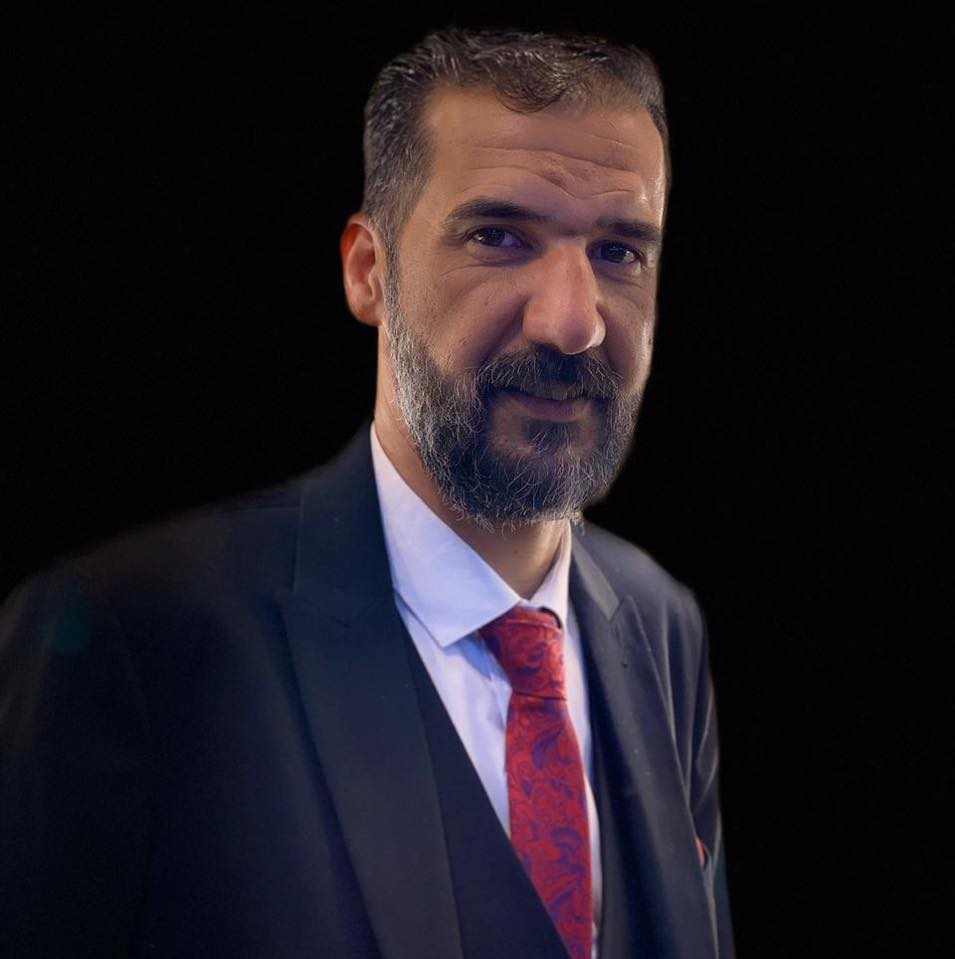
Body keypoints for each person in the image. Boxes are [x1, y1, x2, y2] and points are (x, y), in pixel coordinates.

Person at [0, 25, 735, 959]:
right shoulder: (138, 637)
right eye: (499, 236)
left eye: (619, 251)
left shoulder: (662, 626)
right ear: (368, 271)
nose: (571, 321)